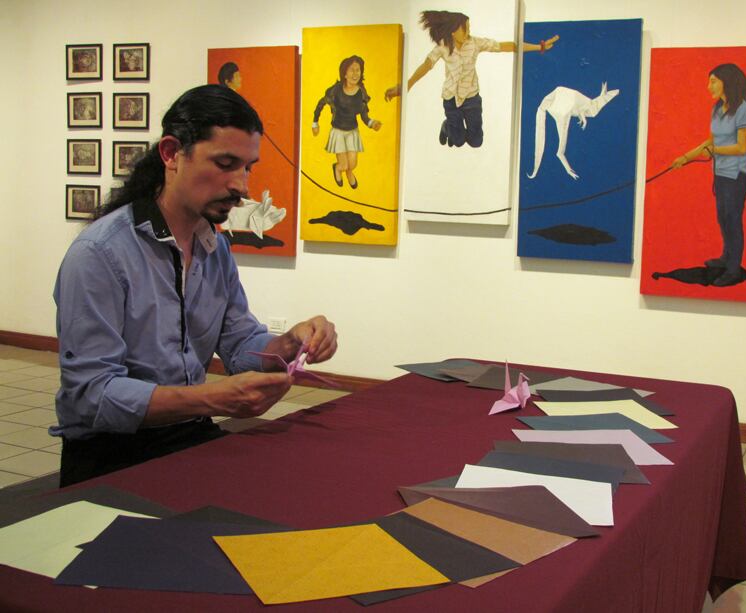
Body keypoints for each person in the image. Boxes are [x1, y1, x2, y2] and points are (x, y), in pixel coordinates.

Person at [51, 84, 338, 486]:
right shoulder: (100, 255)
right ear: (171, 153)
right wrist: (213, 398)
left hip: (188, 435)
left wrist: (290, 343)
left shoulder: (213, 248)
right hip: (111, 455)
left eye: (247, 168)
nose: (242, 186)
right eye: (225, 163)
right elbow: (92, 395)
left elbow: (239, 345)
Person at [385, 11, 558, 148]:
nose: (468, 32)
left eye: (469, 27)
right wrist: (405, 86)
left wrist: (539, 46)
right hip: (451, 99)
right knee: (458, 142)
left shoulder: (475, 43)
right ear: (453, 31)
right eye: (465, 28)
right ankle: (448, 126)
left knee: (476, 142)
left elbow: (507, 46)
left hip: (471, 99)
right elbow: (426, 66)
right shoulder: (443, 47)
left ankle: (454, 128)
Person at [671, 63, 746, 287]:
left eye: (713, 81)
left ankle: (734, 269)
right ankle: (726, 257)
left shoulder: (744, 109)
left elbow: (741, 147)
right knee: (722, 217)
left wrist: (715, 151)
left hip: (737, 175)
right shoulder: (717, 109)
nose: (709, 86)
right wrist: (685, 158)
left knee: (733, 220)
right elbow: (710, 142)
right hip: (720, 173)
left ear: (728, 81)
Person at [311, 55, 382, 189]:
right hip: (338, 131)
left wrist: (372, 123)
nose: (355, 74)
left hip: (352, 132)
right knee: (343, 165)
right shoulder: (335, 91)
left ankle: (349, 172)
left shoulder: (361, 93)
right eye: (352, 70)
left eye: (358, 70)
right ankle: (338, 168)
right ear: (344, 73)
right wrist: (315, 123)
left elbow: (364, 115)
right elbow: (321, 104)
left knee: (353, 164)